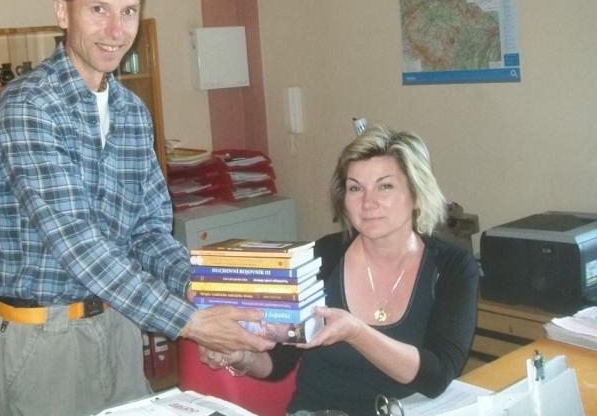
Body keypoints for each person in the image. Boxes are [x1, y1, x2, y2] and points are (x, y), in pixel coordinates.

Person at [0, 0, 273, 416]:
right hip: (44, 338)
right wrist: (192, 322)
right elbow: (77, 243)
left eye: (129, 12)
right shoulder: (28, 106)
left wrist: (199, 290)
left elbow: (147, 233)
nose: (116, 30)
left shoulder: (133, 113)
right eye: (99, 10)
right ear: (63, 12)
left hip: (118, 324)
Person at [200, 124, 479, 416]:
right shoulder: (323, 256)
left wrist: (356, 332)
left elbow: (437, 376)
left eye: (385, 186)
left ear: (417, 194)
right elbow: (279, 362)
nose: (368, 202)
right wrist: (242, 356)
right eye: (355, 188)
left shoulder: (453, 267)